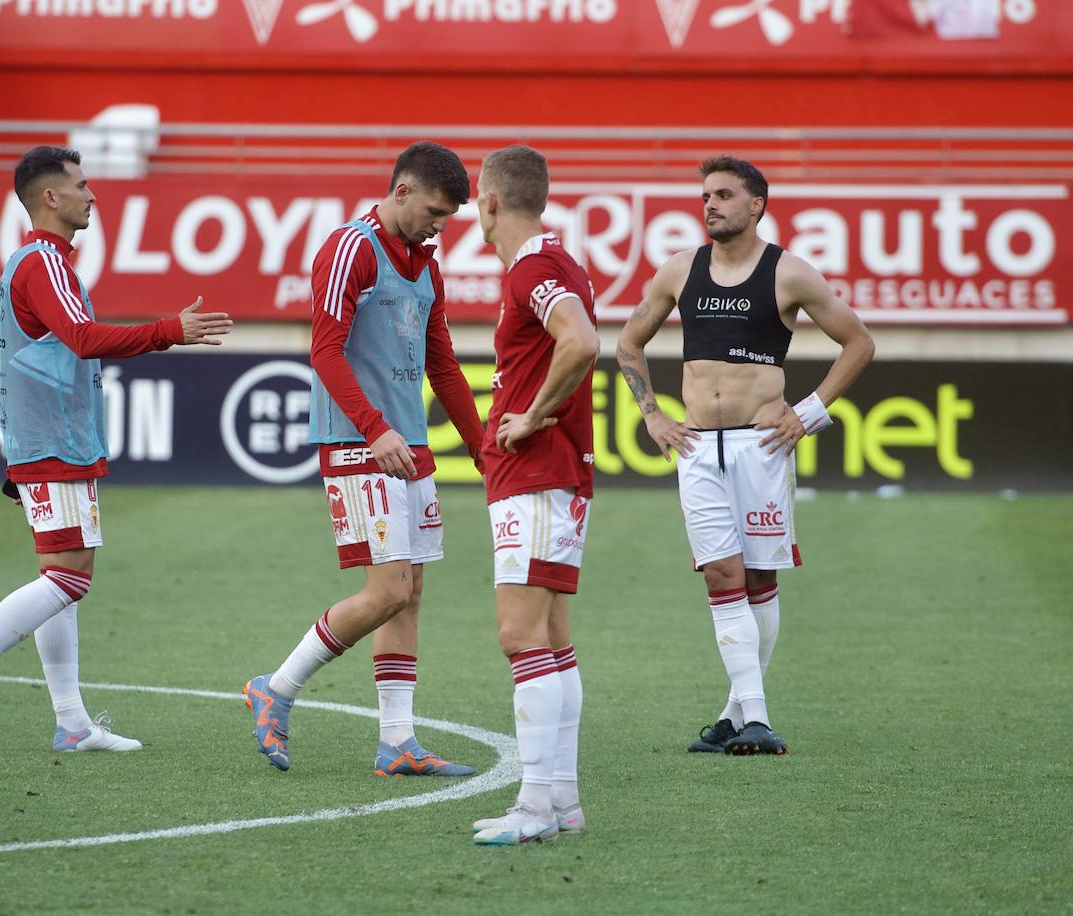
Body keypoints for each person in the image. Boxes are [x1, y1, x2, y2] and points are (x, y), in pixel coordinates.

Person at [0, 146, 231, 757]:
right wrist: (169, 330)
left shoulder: (52, 262)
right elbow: (84, 339)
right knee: (69, 575)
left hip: (58, 437)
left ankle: (71, 723)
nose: (94, 195)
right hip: (50, 440)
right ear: (51, 198)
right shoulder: (42, 262)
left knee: (60, 575)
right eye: (83, 186)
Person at [616, 155, 874, 756]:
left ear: (756, 205)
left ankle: (736, 715)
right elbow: (629, 342)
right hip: (698, 448)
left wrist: (808, 413)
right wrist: (651, 413)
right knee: (720, 573)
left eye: (725, 195)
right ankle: (755, 716)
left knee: (759, 577)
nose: (710, 205)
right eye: (706, 195)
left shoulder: (790, 273)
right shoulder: (679, 270)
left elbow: (859, 343)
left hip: (763, 448)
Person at [243, 141, 485, 777]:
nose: (440, 225)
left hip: (408, 448)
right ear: (401, 191)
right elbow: (325, 351)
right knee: (386, 592)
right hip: (359, 443)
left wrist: (484, 450)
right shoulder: (349, 247)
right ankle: (277, 688)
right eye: (434, 210)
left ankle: (397, 742)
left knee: (410, 596)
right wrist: (374, 428)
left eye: (449, 217)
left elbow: (444, 366)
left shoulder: (426, 266)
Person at [465, 146, 599, 845]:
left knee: (521, 635)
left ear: (490, 200)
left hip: (539, 473)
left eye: (475, 200)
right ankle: (564, 801)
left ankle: (536, 806)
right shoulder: (557, 260)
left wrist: (537, 412)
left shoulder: (533, 270)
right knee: (550, 637)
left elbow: (580, 342)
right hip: (554, 474)